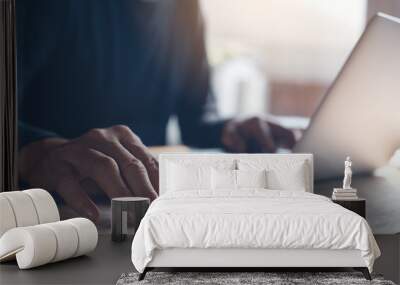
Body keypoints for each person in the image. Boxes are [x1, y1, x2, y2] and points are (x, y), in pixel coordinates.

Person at [17, 0, 296, 222]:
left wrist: (228, 129)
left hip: (145, 210)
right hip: (53, 212)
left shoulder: (184, 7)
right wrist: (33, 150)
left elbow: (197, 117)